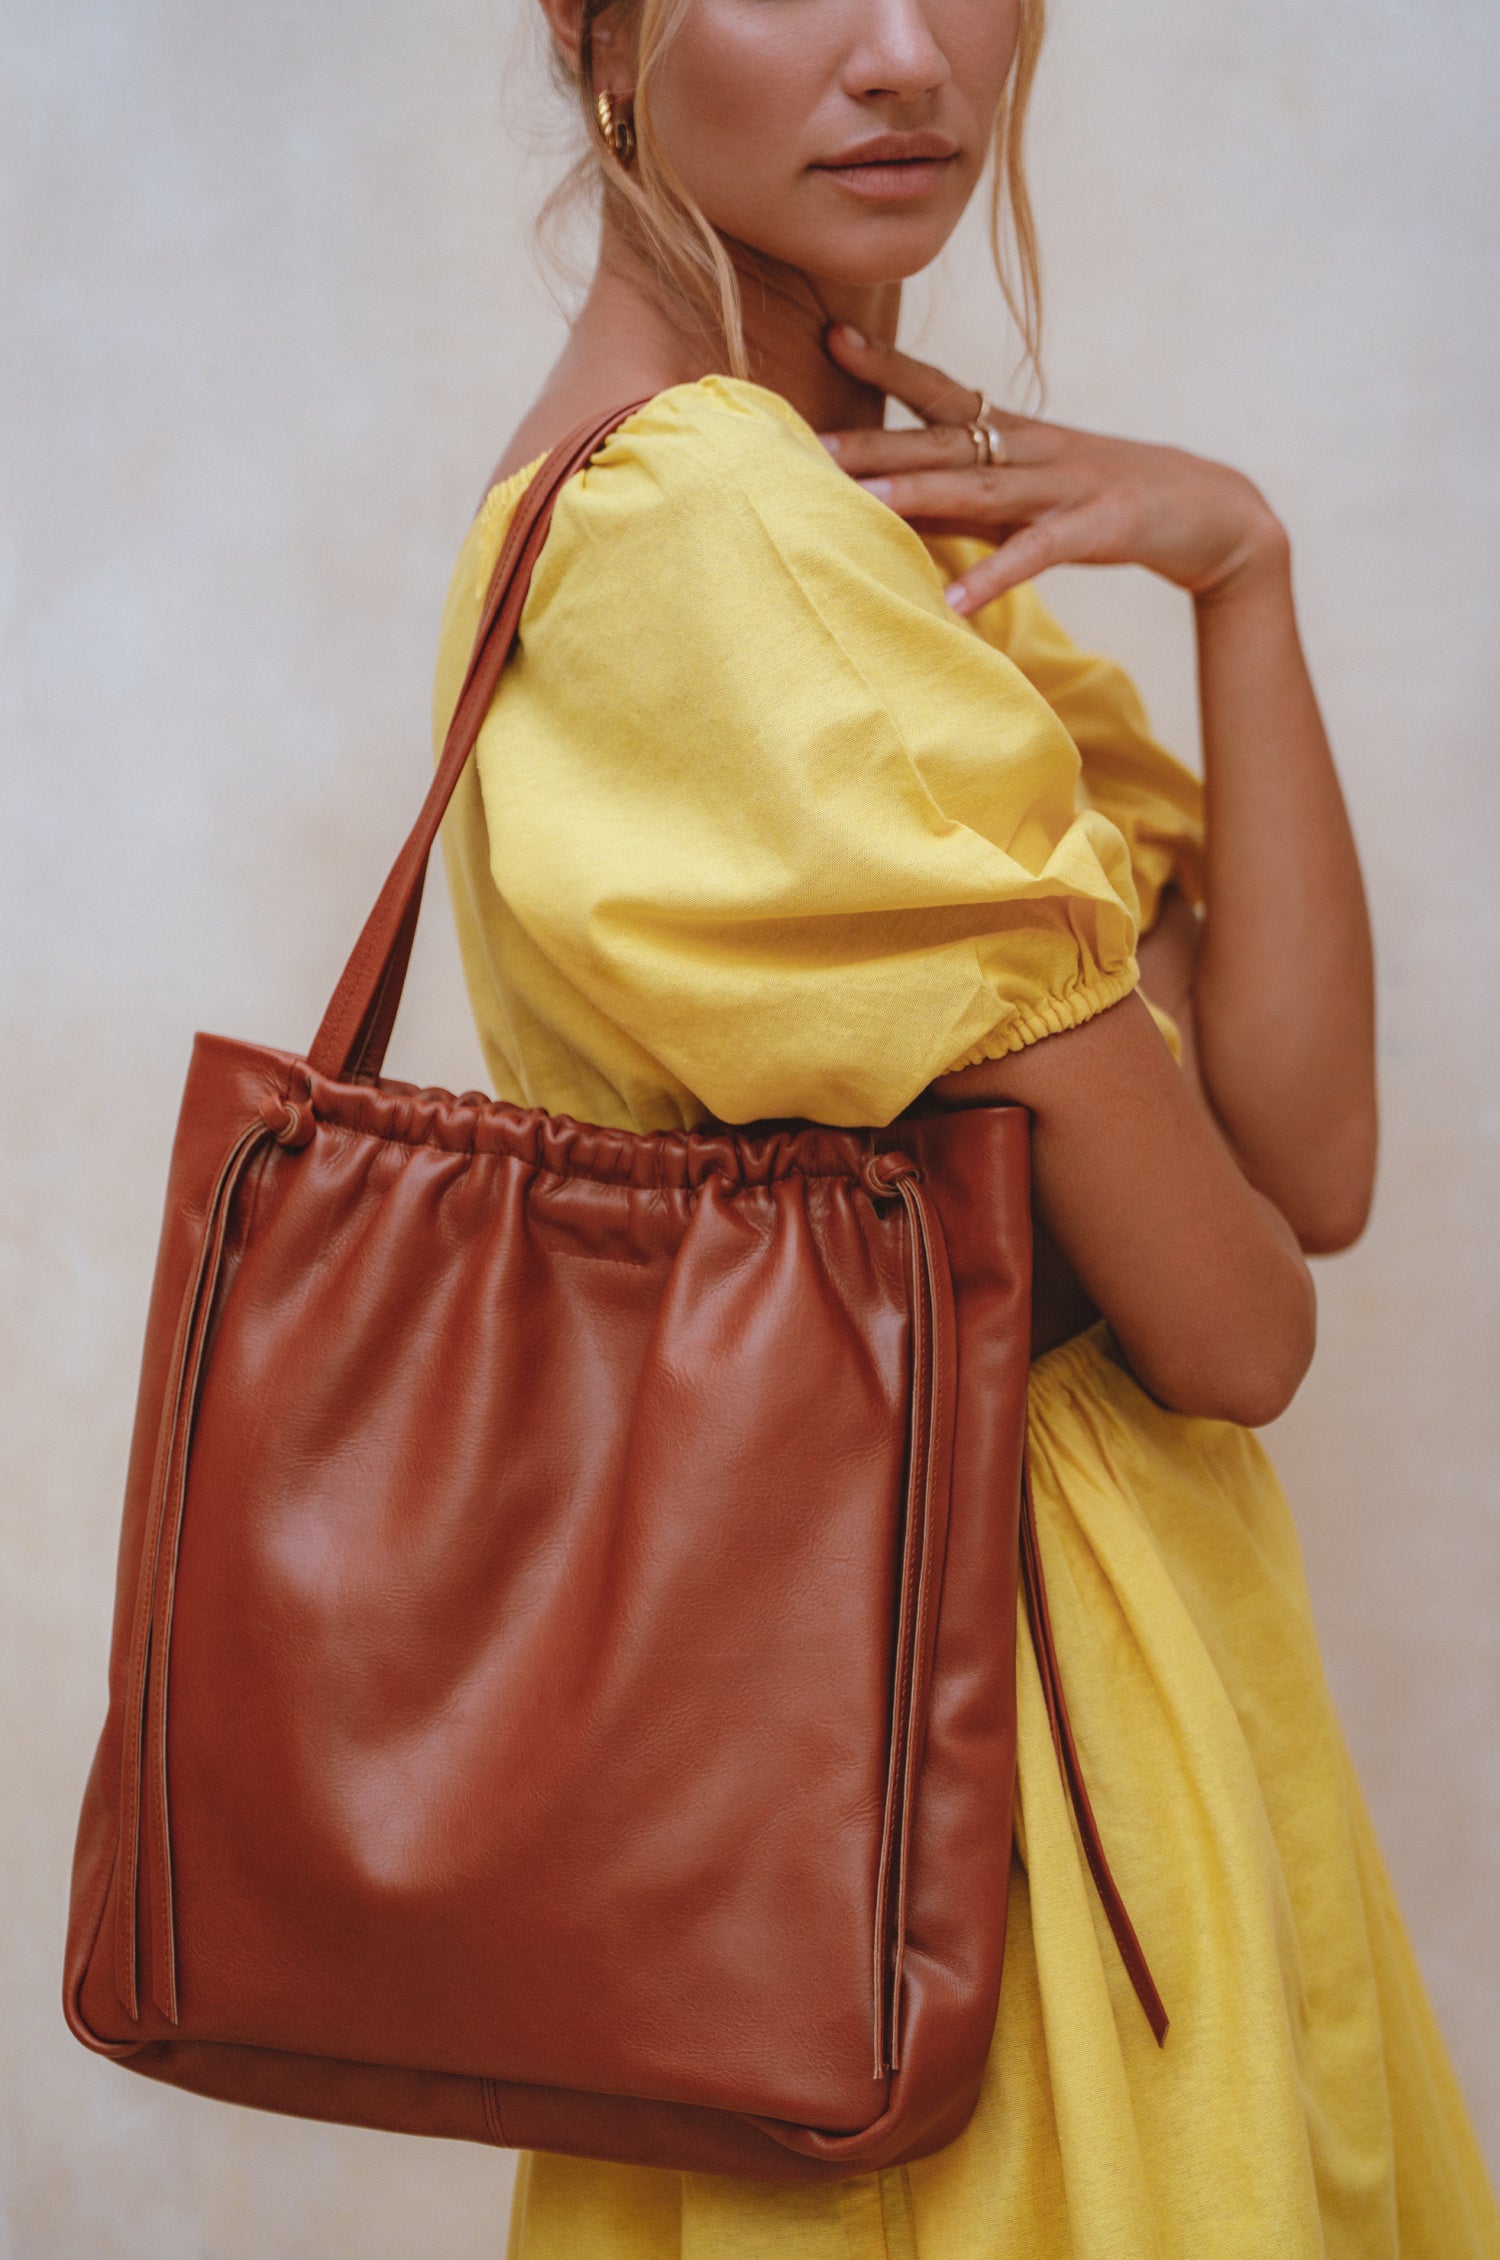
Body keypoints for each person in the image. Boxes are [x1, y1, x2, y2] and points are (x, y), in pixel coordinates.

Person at [430, 0, 1500, 2252]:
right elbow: (1244, 1326)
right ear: (594, 33)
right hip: (961, 1762)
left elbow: (1306, 1156)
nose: (908, 56)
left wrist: (1240, 563)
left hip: (1004, 1701)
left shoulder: (834, 515)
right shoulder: (705, 527)